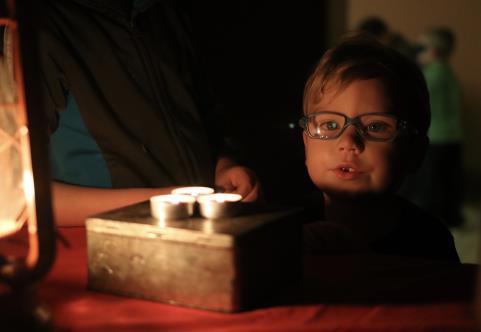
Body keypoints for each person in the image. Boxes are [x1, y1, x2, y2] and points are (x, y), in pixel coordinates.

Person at [38, 0, 260, 226]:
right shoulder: (38, 27)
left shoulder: (167, 14)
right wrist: (167, 202)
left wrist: (223, 168)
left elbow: (209, 123)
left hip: (198, 234)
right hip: (100, 246)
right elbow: (15, 198)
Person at [300, 34, 459, 262]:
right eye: (330, 124)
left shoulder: (429, 240)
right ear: (306, 142)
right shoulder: (282, 227)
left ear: (415, 151)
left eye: (375, 126)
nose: (348, 143)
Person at [403, 27, 463, 227]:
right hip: (453, 135)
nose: (417, 52)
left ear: (434, 51)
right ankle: (452, 218)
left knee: (430, 186)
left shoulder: (432, 75)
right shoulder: (447, 71)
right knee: (448, 183)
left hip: (436, 137)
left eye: (421, 48)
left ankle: (430, 224)